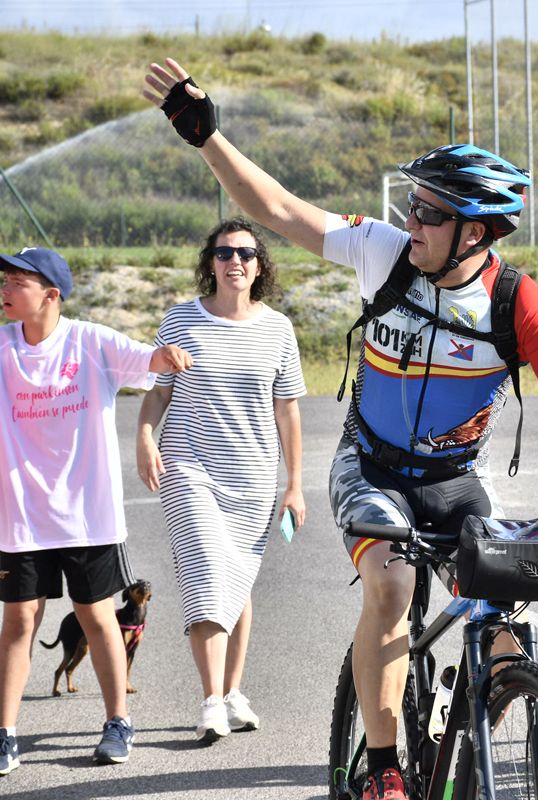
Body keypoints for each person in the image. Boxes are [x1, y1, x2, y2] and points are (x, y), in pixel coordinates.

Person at [143, 58, 538, 800]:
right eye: (412, 206)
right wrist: (208, 139)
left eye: (429, 214)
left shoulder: (517, 302)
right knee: (391, 581)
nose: (410, 221)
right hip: (370, 465)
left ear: (473, 231)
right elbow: (280, 210)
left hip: (452, 480)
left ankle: (488, 704)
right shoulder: (385, 255)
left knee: (506, 605)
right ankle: (383, 765)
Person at [0, 247, 193, 774]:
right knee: (18, 619)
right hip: (19, 515)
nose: (6, 287)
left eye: (18, 280)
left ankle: (117, 722)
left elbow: (148, 361)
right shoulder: (1, 347)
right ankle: (5, 733)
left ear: (51, 294)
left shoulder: (90, 342)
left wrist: (168, 355)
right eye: (5, 278)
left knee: (97, 615)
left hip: (87, 513)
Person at [135, 219, 306, 744]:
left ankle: (233, 692)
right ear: (210, 262)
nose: (236, 261)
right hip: (189, 468)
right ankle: (211, 700)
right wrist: (144, 438)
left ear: (260, 265)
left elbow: (288, 411)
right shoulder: (181, 320)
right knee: (209, 570)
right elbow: (157, 392)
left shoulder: (278, 329)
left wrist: (294, 484)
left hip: (253, 478)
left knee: (237, 582)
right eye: (225, 252)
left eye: (247, 253)